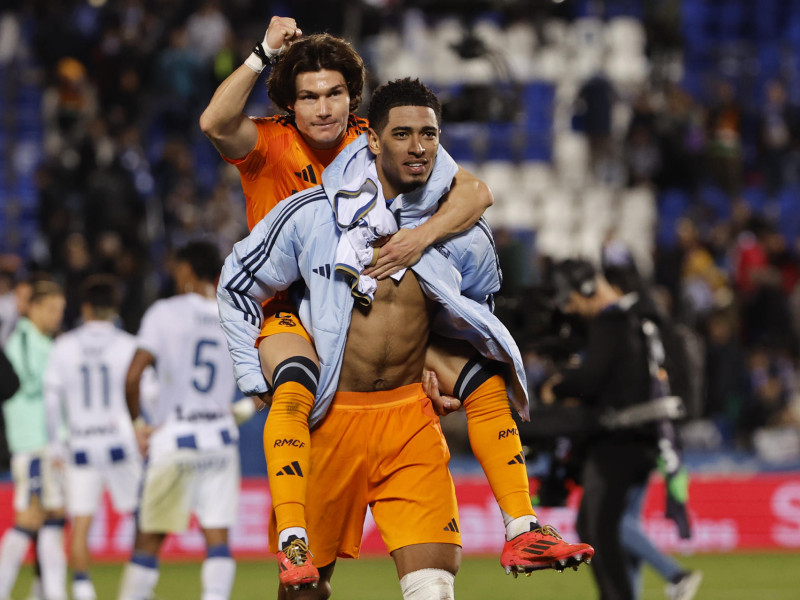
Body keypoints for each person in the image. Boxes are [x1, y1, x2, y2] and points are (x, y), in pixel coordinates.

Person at [199, 18, 562, 589]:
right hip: (295, 308)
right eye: (310, 97)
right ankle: (294, 539)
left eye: (335, 94)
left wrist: (423, 235)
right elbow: (214, 122)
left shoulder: (383, 136)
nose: (323, 109)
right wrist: (262, 53)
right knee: (294, 382)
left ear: (354, 101)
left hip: (373, 316)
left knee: (481, 375)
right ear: (290, 105)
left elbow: (475, 192)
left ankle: (524, 524)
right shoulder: (270, 143)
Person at [540, 259, 700, 600]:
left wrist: (559, 385)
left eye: (573, 300)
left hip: (619, 439)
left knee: (596, 526)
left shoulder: (611, 321)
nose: (573, 309)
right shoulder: (644, 321)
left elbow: (594, 376)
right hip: (649, 436)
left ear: (588, 287)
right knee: (616, 525)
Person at [116, 241, 251, 600]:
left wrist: (137, 425)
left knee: (147, 542)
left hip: (175, 438)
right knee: (217, 540)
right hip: (221, 441)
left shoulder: (165, 313)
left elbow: (132, 377)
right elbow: (263, 379)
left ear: (188, 270)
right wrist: (242, 410)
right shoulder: (235, 312)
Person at [42, 275, 143, 600]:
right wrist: (142, 426)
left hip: (81, 444)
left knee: (81, 524)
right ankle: (138, 588)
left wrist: (56, 442)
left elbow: (50, 398)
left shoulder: (64, 345)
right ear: (113, 307)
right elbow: (149, 392)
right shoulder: (129, 345)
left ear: (85, 307)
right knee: (143, 520)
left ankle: (84, 592)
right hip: (120, 443)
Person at [0, 280, 68, 600]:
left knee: (51, 519)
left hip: (49, 443)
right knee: (30, 518)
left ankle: (45, 593)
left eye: (61, 310)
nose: (57, 316)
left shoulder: (45, 341)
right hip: (33, 442)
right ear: (35, 308)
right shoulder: (24, 341)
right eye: (52, 309)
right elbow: (30, 387)